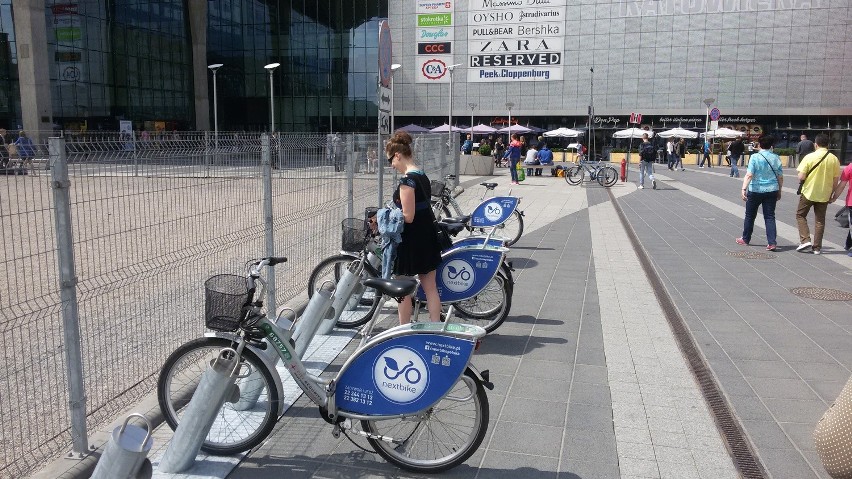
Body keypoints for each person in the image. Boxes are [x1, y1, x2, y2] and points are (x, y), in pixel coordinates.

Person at [384, 131, 442, 324]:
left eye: (391, 160)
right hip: (428, 236)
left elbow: (408, 217)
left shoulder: (407, 181)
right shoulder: (422, 175)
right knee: (430, 288)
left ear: (398, 155)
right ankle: (436, 327)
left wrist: (386, 215)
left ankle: (403, 330)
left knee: (403, 290)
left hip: (411, 240)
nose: (392, 165)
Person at [795, 133, 841, 254]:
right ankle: (817, 248)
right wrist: (832, 194)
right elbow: (836, 179)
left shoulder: (809, 157)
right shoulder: (834, 159)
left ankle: (805, 240)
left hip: (809, 192)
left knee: (800, 215)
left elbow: (801, 175)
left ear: (816, 144)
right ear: (828, 145)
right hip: (824, 194)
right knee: (820, 220)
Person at [736, 135, 783, 251]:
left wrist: (743, 189)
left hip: (756, 190)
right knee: (770, 216)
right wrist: (779, 190)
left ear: (760, 144)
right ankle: (772, 242)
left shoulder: (755, 157)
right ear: (771, 145)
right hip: (772, 189)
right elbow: (780, 176)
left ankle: (745, 238)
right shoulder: (776, 157)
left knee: (750, 216)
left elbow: (749, 174)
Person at [829, 161, 852, 256]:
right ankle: (848, 244)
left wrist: (834, 197)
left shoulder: (850, 167)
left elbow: (842, 185)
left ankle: (848, 244)